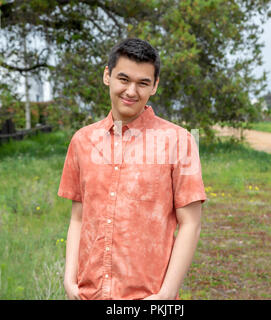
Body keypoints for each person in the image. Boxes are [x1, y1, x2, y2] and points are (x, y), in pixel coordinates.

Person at [58, 38, 206, 300]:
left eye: (143, 83)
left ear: (155, 86)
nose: (131, 91)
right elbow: (78, 218)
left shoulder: (178, 141)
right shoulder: (82, 140)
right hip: (87, 294)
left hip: (149, 298)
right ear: (107, 76)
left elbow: (190, 224)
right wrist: (69, 279)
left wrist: (166, 294)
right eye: (123, 79)